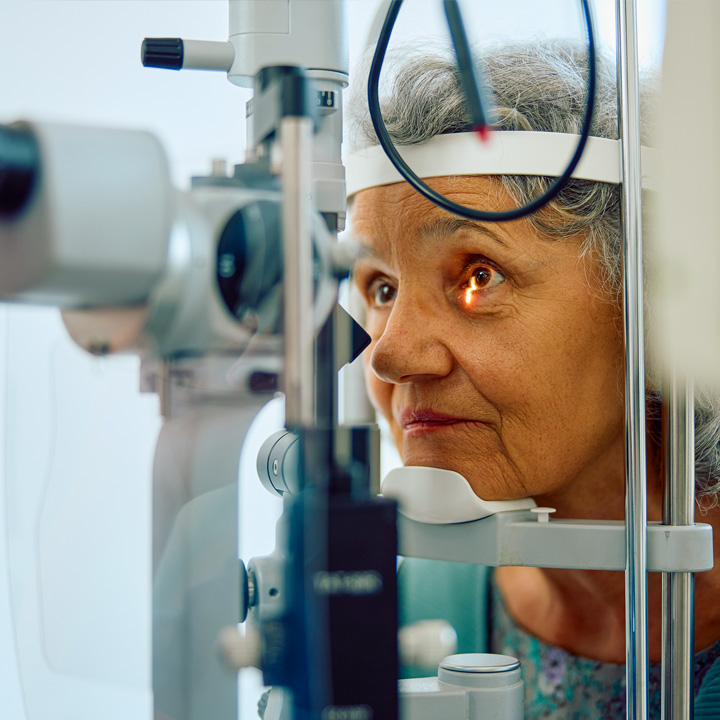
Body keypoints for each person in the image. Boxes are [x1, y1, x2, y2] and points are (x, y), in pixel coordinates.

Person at [346, 42, 720, 718]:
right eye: (380, 287)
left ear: (654, 305)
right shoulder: (424, 597)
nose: (389, 355)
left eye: (477, 275)